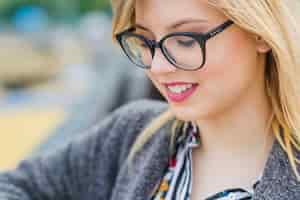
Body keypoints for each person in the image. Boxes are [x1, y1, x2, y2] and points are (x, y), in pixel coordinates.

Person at [1, 0, 300, 199]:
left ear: (260, 32)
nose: (157, 67)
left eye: (185, 40)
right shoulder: (131, 135)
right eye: (144, 40)